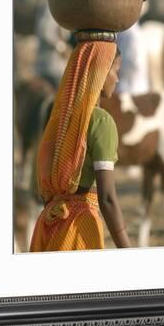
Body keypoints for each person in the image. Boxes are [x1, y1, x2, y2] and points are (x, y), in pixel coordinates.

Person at [29, 33, 131, 251]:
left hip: (49, 225)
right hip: (80, 227)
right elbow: (108, 199)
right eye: (116, 71)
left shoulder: (61, 118)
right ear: (101, 72)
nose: (118, 79)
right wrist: (127, 250)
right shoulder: (102, 121)